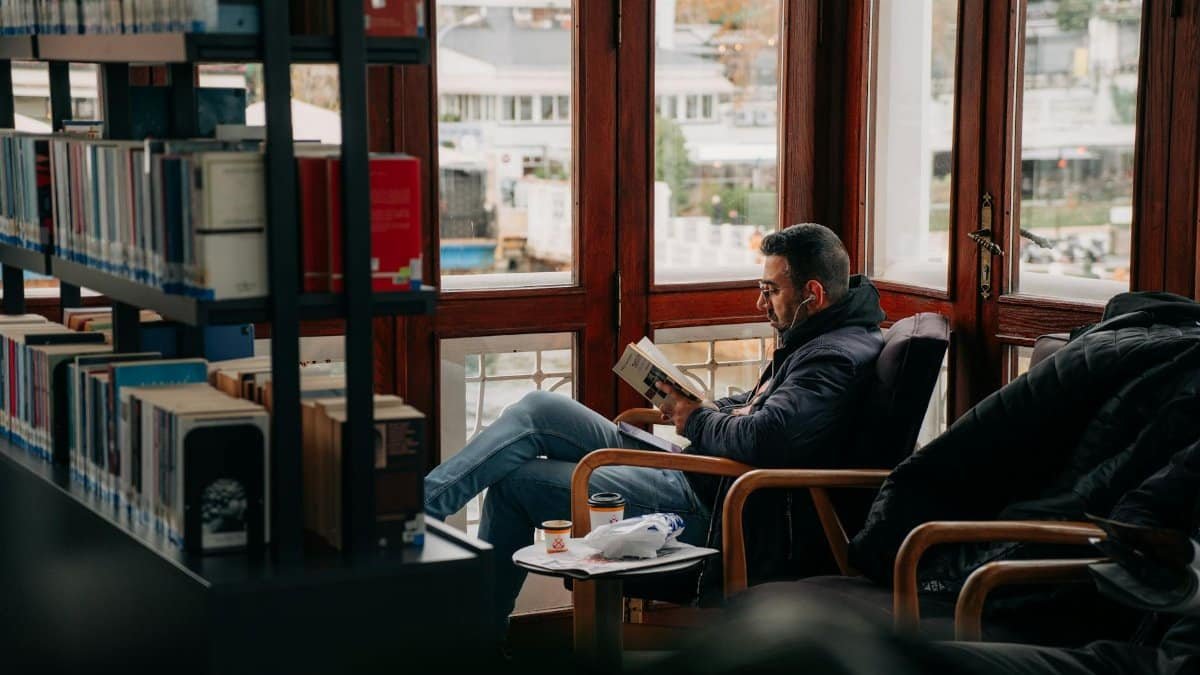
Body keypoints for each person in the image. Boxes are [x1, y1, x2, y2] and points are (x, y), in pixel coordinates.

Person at [424, 223, 886, 633]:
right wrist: (705, 405)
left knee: (516, 483)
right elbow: (760, 411)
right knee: (540, 407)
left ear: (814, 294)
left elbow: (767, 437)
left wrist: (699, 418)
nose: (760, 302)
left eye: (771, 290)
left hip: (709, 506)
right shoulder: (821, 338)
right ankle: (426, 505)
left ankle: (474, 639)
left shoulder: (833, 359)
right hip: (698, 472)